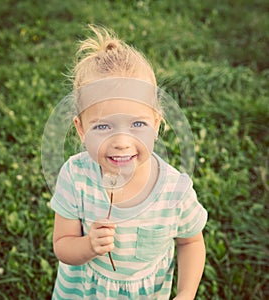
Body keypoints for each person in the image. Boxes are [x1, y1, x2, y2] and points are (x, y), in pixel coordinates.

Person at [50, 25, 207, 300]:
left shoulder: (174, 190)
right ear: (80, 129)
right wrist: (88, 245)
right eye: (103, 127)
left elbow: (191, 242)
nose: (121, 141)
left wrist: (185, 293)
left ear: (156, 124)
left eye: (137, 123)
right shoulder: (75, 177)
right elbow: (63, 245)